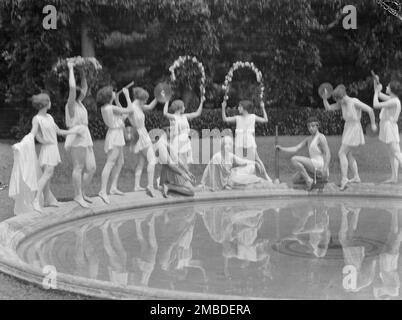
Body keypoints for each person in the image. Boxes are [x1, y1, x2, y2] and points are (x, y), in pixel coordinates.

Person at [30, 93, 81, 213]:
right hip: (47, 149)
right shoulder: (37, 119)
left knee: (48, 176)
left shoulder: (49, 117)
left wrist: (73, 132)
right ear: (45, 104)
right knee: (47, 174)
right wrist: (43, 141)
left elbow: (58, 131)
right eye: (50, 101)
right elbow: (35, 134)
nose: (51, 103)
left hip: (53, 149)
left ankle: (48, 199)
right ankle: (36, 200)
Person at [322, 84, 377, 190]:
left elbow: (370, 110)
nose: (337, 102)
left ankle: (344, 178)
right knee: (348, 154)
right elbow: (329, 108)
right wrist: (324, 99)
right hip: (348, 129)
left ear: (341, 97)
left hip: (354, 129)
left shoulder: (354, 102)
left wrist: (373, 124)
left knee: (341, 153)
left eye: (337, 99)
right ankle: (356, 177)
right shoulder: (342, 103)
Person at [65, 61, 96, 208]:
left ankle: (82, 193)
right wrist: (71, 67)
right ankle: (78, 196)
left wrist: (83, 71)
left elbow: (85, 87)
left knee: (91, 167)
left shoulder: (79, 102)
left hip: (85, 135)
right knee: (78, 167)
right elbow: (72, 87)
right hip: (76, 135)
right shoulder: (70, 104)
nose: (81, 92)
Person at [97, 86, 131, 204]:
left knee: (120, 162)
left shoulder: (108, 107)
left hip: (116, 134)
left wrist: (117, 100)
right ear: (108, 96)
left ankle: (113, 187)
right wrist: (126, 95)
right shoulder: (110, 107)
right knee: (110, 163)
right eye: (112, 92)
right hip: (115, 136)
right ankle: (102, 191)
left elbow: (123, 116)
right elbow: (129, 110)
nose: (114, 92)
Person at [222, 99, 271, 181]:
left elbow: (265, 120)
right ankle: (241, 178)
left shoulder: (253, 117)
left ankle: (266, 176)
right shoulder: (238, 118)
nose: (238, 108)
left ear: (244, 108)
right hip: (239, 142)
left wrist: (263, 108)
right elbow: (225, 119)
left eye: (240, 107)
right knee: (239, 160)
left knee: (256, 158)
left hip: (249, 141)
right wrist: (223, 108)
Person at [276, 116, 331, 190]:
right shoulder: (308, 139)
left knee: (294, 159)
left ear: (317, 126)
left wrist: (325, 169)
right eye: (309, 126)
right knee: (295, 180)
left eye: (312, 126)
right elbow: (296, 148)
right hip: (313, 165)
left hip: (319, 165)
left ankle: (309, 180)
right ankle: (317, 181)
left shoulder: (321, 137)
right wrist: (282, 148)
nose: (310, 128)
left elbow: (328, 153)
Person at [123, 87, 158, 197]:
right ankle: (150, 186)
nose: (146, 101)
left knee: (141, 162)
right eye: (145, 99)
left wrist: (159, 97)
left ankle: (136, 186)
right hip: (140, 134)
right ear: (140, 99)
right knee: (152, 159)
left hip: (139, 134)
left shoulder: (138, 105)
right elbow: (122, 118)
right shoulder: (132, 107)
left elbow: (150, 106)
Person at [200, 136, 268, 191]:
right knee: (238, 178)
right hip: (220, 183)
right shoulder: (217, 157)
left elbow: (242, 161)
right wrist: (203, 182)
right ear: (222, 145)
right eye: (225, 144)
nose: (227, 146)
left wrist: (255, 162)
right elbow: (208, 169)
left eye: (229, 144)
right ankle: (229, 185)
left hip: (230, 178)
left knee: (249, 168)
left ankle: (257, 181)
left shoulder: (230, 156)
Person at [373, 77, 402, 184]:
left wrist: (376, 91)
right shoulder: (392, 99)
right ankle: (394, 178)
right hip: (388, 127)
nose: (386, 87)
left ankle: (394, 177)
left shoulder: (393, 101)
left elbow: (376, 104)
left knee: (397, 153)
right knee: (392, 153)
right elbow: (379, 95)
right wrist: (375, 83)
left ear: (392, 89)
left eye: (388, 86)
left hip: (390, 128)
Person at [154, 125, 195, 197]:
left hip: (175, 170)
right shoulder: (161, 144)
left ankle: (169, 186)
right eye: (171, 131)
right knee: (191, 191)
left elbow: (177, 158)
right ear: (165, 131)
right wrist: (182, 174)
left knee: (191, 189)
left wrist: (187, 172)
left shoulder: (169, 141)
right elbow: (170, 164)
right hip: (169, 172)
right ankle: (169, 186)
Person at [163, 97, 205, 167]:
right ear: (180, 108)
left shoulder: (184, 116)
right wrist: (167, 101)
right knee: (179, 162)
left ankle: (184, 176)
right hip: (178, 141)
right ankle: (180, 176)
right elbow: (165, 113)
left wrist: (202, 102)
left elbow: (197, 113)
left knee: (187, 162)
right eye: (183, 106)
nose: (184, 108)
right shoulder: (173, 117)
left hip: (186, 140)